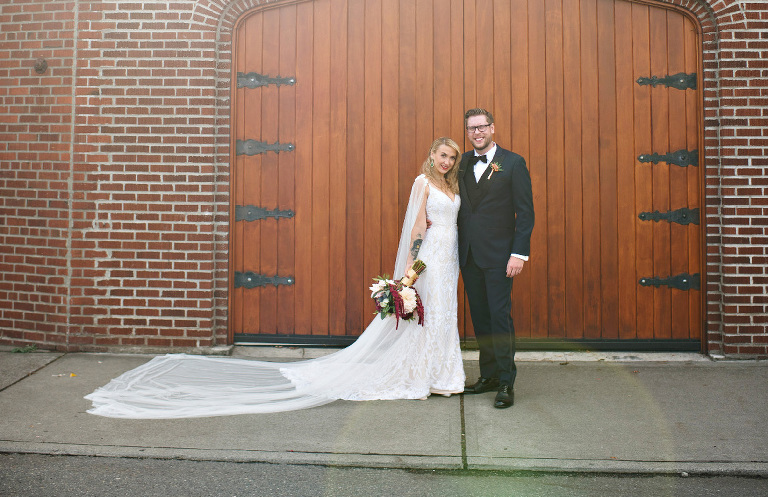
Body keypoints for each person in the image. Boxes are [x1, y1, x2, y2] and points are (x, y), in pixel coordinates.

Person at [85, 138, 465, 418]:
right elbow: (417, 227)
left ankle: (443, 376)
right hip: (430, 257)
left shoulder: (452, 186)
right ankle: (420, 377)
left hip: (450, 259)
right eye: (442, 155)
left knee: (444, 317)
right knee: (423, 319)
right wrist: (409, 272)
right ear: (432, 154)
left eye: (452, 157)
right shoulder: (424, 182)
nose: (446, 161)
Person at [458, 108, 535, 410]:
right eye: (471, 129)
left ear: (492, 128)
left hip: (501, 257)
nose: (476, 133)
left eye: (481, 127)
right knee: (481, 318)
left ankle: (506, 381)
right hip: (469, 255)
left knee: (500, 317)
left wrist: (519, 254)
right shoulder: (461, 163)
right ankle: (488, 375)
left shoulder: (513, 163)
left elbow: (525, 214)